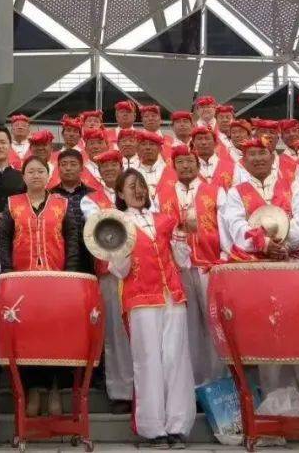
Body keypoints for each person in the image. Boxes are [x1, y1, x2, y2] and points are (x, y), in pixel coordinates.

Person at [108, 168, 195, 448]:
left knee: (176, 359)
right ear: (120, 193)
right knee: (148, 362)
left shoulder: (164, 220)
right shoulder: (118, 223)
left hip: (172, 295)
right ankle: (153, 428)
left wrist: (182, 235)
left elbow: (183, 262)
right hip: (140, 298)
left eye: (141, 184)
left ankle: (178, 425)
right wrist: (120, 244)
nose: (138, 190)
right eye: (131, 186)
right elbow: (119, 270)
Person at [0, 155, 82, 417]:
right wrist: (8, 274)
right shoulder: (12, 204)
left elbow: (72, 240)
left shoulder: (62, 204)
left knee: (55, 336)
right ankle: (32, 390)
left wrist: (70, 276)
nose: (35, 176)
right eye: (31, 171)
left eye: (40, 171)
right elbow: (3, 242)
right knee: (27, 338)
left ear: (49, 176)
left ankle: (55, 389)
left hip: (56, 281)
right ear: (23, 177)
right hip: (22, 283)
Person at [154, 146, 223, 386]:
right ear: (174, 166)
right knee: (187, 325)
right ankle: (193, 381)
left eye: (190, 161)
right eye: (180, 162)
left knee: (215, 323)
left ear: (198, 164)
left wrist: (223, 258)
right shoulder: (162, 194)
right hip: (178, 269)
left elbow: (223, 228)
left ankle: (219, 380)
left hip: (209, 265)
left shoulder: (214, 191)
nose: (185, 166)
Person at [80, 150, 133, 413]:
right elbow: (96, 227)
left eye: (114, 165)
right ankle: (121, 391)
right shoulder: (90, 200)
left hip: (139, 271)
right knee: (114, 331)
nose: (110, 170)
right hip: (109, 271)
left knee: (141, 331)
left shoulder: (136, 195)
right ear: (99, 171)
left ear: (121, 167)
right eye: (105, 167)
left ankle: (145, 388)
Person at [219, 137, 299, 261]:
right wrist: (264, 244)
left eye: (262, 153)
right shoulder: (236, 192)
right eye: (252, 154)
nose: (258, 158)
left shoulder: (292, 185)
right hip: (253, 261)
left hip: (292, 255)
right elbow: (236, 225)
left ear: (272, 159)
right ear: (244, 161)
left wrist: (285, 245)